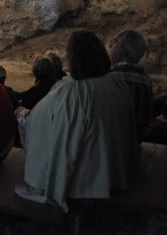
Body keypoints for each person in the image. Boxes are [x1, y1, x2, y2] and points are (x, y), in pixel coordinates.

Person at [20, 30, 137, 211]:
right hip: (113, 169)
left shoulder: (75, 95)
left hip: (84, 180)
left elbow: (57, 136)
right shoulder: (116, 84)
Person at [109, 29, 154, 140]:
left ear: (122, 51)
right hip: (135, 143)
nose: (110, 48)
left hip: (110, 143)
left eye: (114, 44)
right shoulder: (147, 81)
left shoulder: (109, 78)